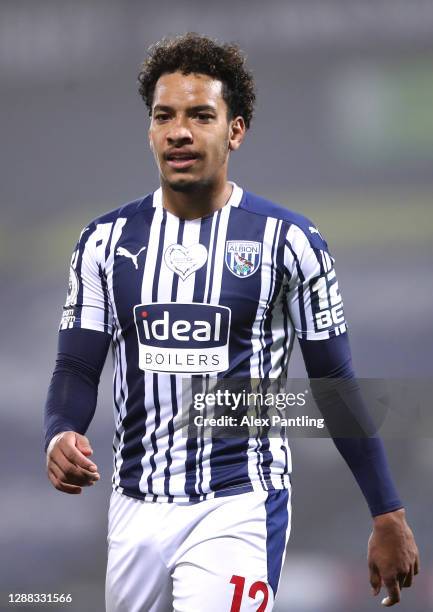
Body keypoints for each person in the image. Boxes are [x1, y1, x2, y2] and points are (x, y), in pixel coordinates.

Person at [44, 33, 419, 611]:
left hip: (238, 502)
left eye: (200, 115)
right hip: (134, 504)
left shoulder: (287, 243)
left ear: (234, 130)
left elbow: (333, 387)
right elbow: (75, 365)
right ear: (150, 129)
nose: (179, 131)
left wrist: (386, 510)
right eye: (164, 115)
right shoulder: (104, 243)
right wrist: (61, 430)